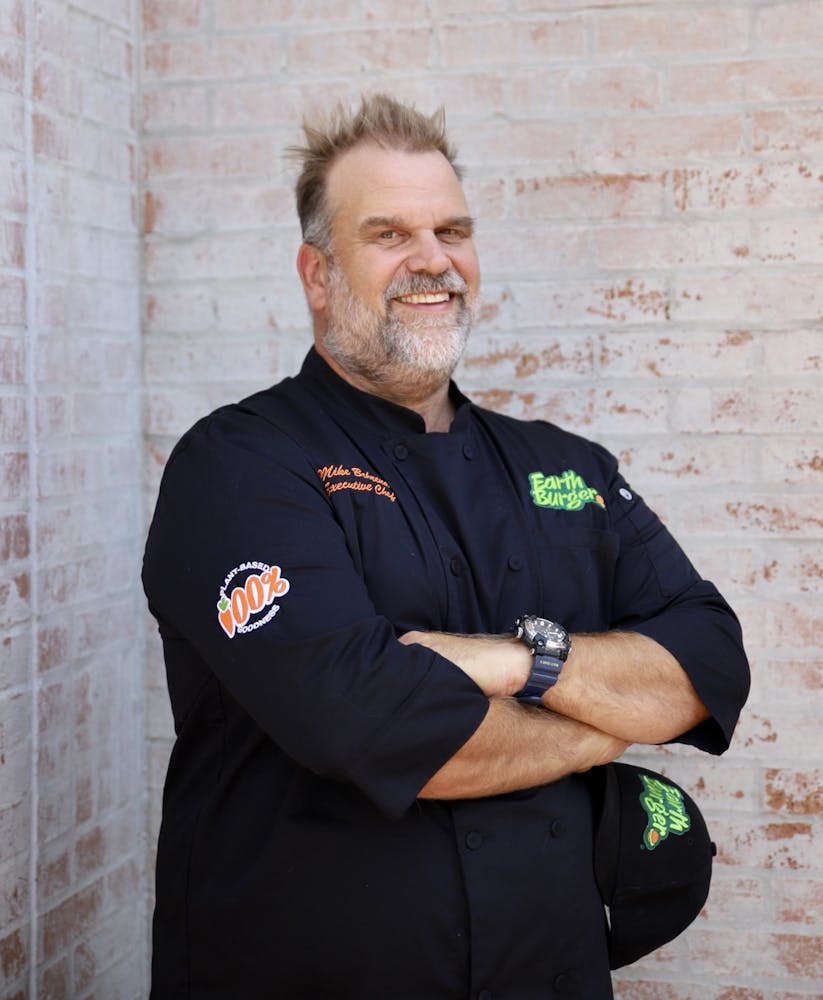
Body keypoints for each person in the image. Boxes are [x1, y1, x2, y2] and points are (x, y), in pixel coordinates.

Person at [143, 93, 750, 999]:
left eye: (452, 230)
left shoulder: (566, 466)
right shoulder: (237, 466)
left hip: (548, 971)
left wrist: (518, 662)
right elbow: (375, 726)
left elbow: (706, 662)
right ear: (318, 272)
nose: (434, 260)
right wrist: (605, 723)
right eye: (389, 233)